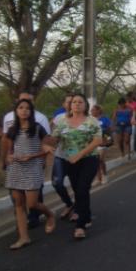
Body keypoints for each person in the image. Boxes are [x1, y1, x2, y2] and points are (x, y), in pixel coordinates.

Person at [3, 99, 55, 250]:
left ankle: (50, 215)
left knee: (31, 204)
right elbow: (10, 149)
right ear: (16, 110)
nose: (24, 110)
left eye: (27, 108)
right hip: (15, 168)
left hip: (33, 168)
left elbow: (49, 148)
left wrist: (32, 156)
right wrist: (8, 157)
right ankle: (24, 237)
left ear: (32, 112)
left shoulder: (38, 128)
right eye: (21, 107)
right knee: (19, 204)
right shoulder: (12, 129)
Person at [52, 93, 102, 239]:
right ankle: (86, 216)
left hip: (89, 159)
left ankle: (80, 226)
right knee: (79, 190)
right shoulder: (62, 121)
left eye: (80, 102)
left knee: (81, 188)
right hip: (71, 161)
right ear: (70, 105)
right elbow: (54, 138)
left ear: (85, 105)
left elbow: (97, 141)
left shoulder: (92, 121)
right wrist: (46, 145)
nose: (77, 104)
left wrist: (79, 155)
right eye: (74, 102)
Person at [91, 105, 112, 185]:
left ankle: (105, 176)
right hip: (93, 142)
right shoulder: (90, 120)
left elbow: (110, 129)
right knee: (94, 161)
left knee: (100, 160)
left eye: (93, 110)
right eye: (91, 110)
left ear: (98, 110)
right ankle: (98, 177)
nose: (91, 112)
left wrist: (108, 139)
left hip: (103, 142)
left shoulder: (105, 119)